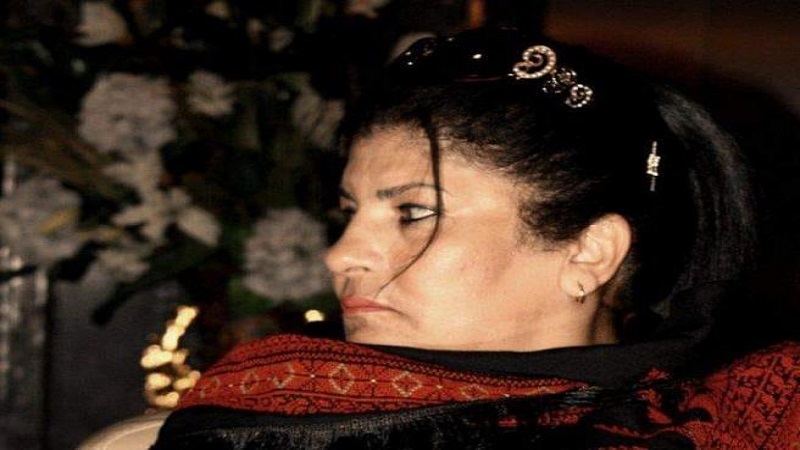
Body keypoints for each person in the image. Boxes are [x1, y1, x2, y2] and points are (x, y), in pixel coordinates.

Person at [152, 27, 800, 448]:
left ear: (589, 252)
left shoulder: (749, 417)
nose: (341, 254)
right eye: (348, 212)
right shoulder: (256, 410)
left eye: (414, 212)